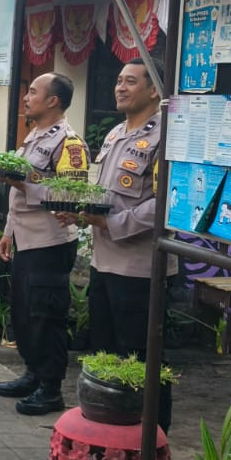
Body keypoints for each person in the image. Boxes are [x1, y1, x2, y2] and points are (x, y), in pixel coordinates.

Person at [0, 73, 90, 415]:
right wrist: (8, 230)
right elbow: (20, 193)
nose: (26, 96)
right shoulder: (34, 136)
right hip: (25, 239)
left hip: (50, 243)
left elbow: (68, 195)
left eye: (33, 91)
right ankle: (33, 374)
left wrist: (23, 180)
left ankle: (51, 389)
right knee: (23, 312)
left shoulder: (70, 143)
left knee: (46, 317)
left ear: (53, 101)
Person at [64, 60, 170, 358]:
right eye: (119, 80)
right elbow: (106, 195)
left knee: (138, 359)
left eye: (130, 82)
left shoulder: (167, 137)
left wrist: (112, 222)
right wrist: (82, 213)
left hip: (139, 270)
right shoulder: (115, 134)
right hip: (103, 263)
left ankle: (147, 409)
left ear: (153, 90)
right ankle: (108, 408)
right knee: (104, 354)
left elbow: (166, 202)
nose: (120, 88)